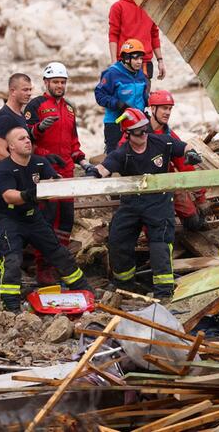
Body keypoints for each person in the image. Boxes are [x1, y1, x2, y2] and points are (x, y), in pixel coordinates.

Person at [91, 108, 202, 299]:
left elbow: (182, 147)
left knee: (160, 244)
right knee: (118, 239)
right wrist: (92, 172)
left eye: (144, 129)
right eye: (137, 131)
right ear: (127, 133)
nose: (143, 134)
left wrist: (191, 153)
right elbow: (103, 168)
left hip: (159, 201)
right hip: (132, 203)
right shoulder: (122, 153)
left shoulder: (160, 142)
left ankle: (164, 293)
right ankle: (124, 286)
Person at [0, 127, 91, 312]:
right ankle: (11, 306)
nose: (27, 141)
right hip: (9, 218)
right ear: (11, 146)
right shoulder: (4, 167)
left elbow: (55, 182)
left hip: (32, 217)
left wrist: (57, 181)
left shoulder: (39, 163)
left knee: (59, 253)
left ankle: (84, 290)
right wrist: (31, 194)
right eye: (21, 139)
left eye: (28, 138)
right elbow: (9, 196)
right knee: (12, 259)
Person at [24, 62, 96, 284]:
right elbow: (25, 139)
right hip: (44, 171)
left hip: (66, 171)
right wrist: (39, 129)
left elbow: (74, 143)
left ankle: (61, 263)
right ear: (46, 82)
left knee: (65, 219)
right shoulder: (34, 106)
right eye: (55, 82)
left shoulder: (70, 109)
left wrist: (85, 163)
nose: (59, 86)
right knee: (46, 219)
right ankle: (43, 267)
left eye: (63, 82)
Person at [130, 90, 208, 231]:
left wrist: (200, 196)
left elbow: (185, 166)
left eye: (170, 109)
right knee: (153, 228)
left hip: (167, 183)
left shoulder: (169, 136)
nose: (167, 112)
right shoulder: (136, 131)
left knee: (194, 222)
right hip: (143, 187)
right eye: (164, 108)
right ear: (153, 109)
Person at [109, 0, 165, 84]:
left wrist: (160, 60)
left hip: (145, 64)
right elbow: (113, 35)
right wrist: (114, 63)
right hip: (124, 63)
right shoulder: (118, 7)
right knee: (125, 100)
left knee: (143, 100)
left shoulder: (151, 8)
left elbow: (154, 34)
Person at [95, 39, 149, 154]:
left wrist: (149, 103)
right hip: (116, 123)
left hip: (137, 122)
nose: (139, 62)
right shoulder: (112, 73)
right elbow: (99, 94)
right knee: (115, 156)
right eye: (135, 58)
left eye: (141, 58)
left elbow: (143, 96)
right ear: (125, 58)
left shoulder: (140, 74)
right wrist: (117, 103)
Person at [0, 73, 32, 196]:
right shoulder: (4, 117)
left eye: (30, 89)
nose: (29, 93)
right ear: (13, 91)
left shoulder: (20, 115)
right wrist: (22, 170)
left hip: (15, 179)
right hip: (5, 182)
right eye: (25, 90)